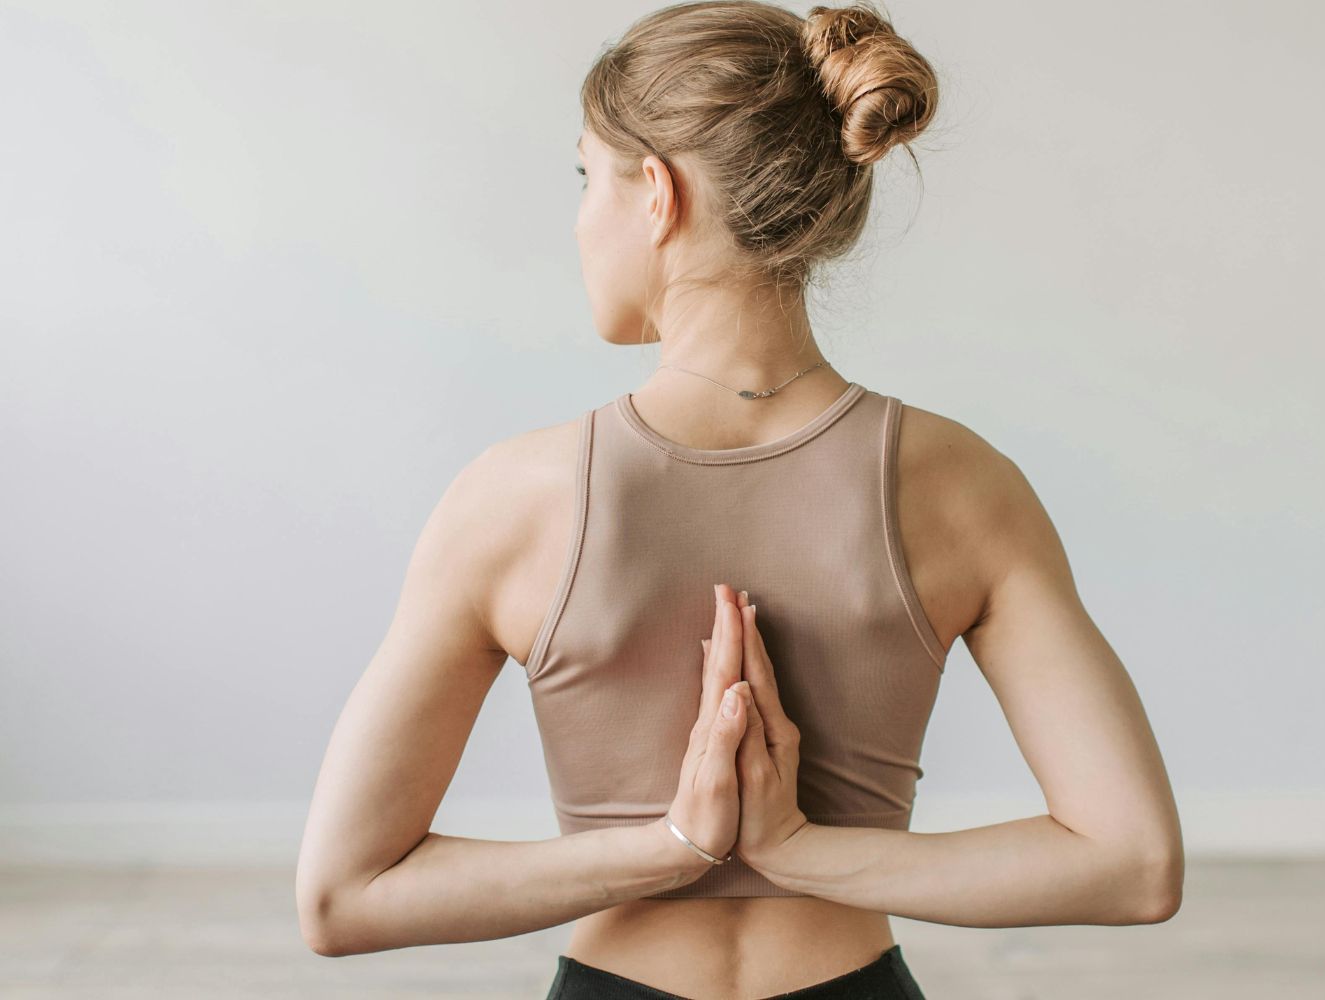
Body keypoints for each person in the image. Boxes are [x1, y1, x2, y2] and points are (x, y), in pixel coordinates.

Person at [296, 1, 1184, 997]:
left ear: (658, 196)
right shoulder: (960, 482)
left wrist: (671, 847)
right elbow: (1133, 862)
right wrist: (802, 852)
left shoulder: (515, 499)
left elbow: (344, 894)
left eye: (588, 178)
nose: (583, 219)